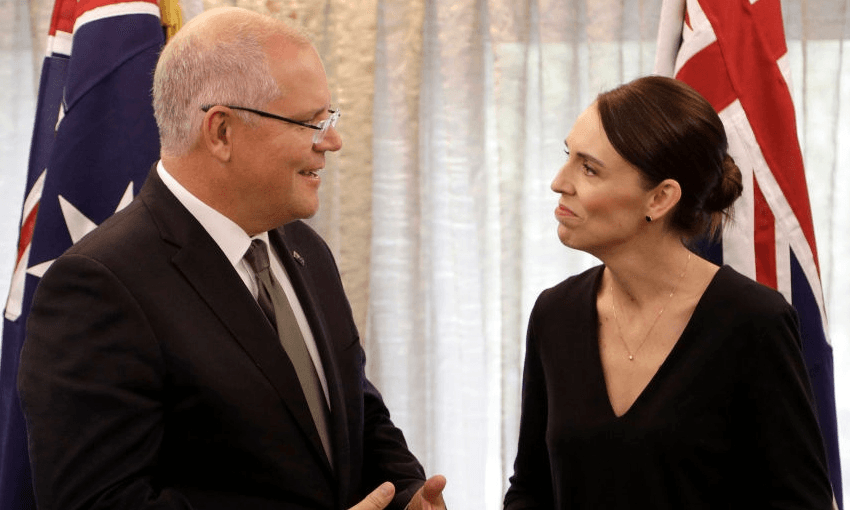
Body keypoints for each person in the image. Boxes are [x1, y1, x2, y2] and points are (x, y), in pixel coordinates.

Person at [18, 7, 446, 510]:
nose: (332, 141)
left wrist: (408, 494)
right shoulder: (99, 285)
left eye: (330, 119)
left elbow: (354, 413)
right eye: (312, 122)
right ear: (221, 131)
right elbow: (100, 503)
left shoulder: (307, 249)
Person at [503, 76, 833, 509]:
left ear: (659, 199)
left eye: (589, 168)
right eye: (569, 157)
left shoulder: (754, 321)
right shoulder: (554, 313)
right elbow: (532, 491)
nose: (558, 182)